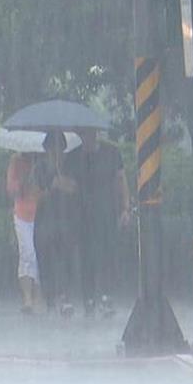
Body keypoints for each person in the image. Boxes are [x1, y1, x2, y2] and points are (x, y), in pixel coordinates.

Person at [64, 128, 130, 318]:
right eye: (84, 135)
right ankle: (89, 299)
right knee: (87, 258)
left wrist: (125, 207)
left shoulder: (112, 153)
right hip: (82, 216)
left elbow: (121, 179)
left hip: (107, 213)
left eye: (91, 134)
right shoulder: (74, 157)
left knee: (108, 256)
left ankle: (106, 296)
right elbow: (68, 184)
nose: (88, 138)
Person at [31, 131, 80, 318]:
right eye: (52, 149)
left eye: (59, 149)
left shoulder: (71, 166)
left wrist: (63, 183)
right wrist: (53, 186)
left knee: (65, 260)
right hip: (44, 222)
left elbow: (75, 187)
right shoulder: (39, 168)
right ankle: (50, 299)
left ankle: (64, 296)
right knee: (46, 262)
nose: (56, 153)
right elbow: (35, 195)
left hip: (66, 221)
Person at [6, 152, 43, 313]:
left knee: (40, 254)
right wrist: (24, 181)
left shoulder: (44, 160)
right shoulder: (16, 160)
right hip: (22, 215)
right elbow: (11, 189)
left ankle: (39, 295)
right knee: (27, 254)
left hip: (42, 214)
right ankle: (28, 298)